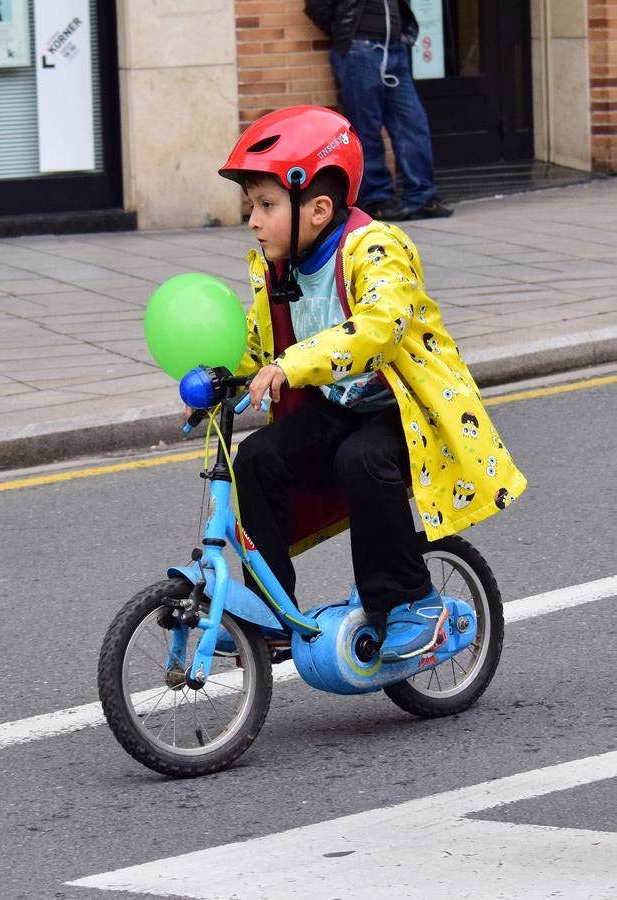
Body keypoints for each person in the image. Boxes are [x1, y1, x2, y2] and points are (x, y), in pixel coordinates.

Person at [214, 105, 526, 661]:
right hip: (345, 406)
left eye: (264, 206)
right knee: (258, 459)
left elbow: (379, 328)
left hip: (409, 414)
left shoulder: (375, 248)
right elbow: (262, 346)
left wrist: (292, 366)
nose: (253, 221)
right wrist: (225, 381)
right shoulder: (279, 269)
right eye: (250, 208)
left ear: (318, 208)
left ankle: (413, 602)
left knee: (361, 458)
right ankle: (270, 613)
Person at [304, 0, 452, 222]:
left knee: (413, 124)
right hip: (359, 50)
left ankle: (422, 196)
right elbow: (317, 6)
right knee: (366, 129)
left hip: (395, 50)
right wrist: (345, 34)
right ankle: (377, 200)